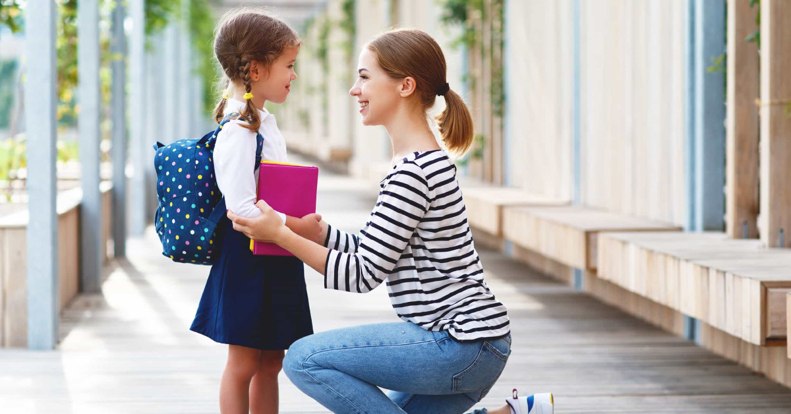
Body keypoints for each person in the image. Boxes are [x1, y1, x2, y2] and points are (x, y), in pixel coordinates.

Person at [228, 28, 553, 414]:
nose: (354, 90)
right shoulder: (421, 163)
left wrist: (280, 235)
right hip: (474, 345)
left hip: (458, 344)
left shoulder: (412, 174)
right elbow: (381, 246)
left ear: (405, 86)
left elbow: (362, 275)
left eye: (364, 77)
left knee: (303, 359)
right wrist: (322, 234)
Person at [189, 9, 321, 414]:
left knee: (271, 360)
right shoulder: (239, 131)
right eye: (289, 65)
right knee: (244, 362)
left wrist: (290, 225)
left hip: (273, 254)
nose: (293, 75)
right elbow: (241, 211)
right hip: (248, 257)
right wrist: (297, 226)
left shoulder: (262, 123)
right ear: (257, 69)